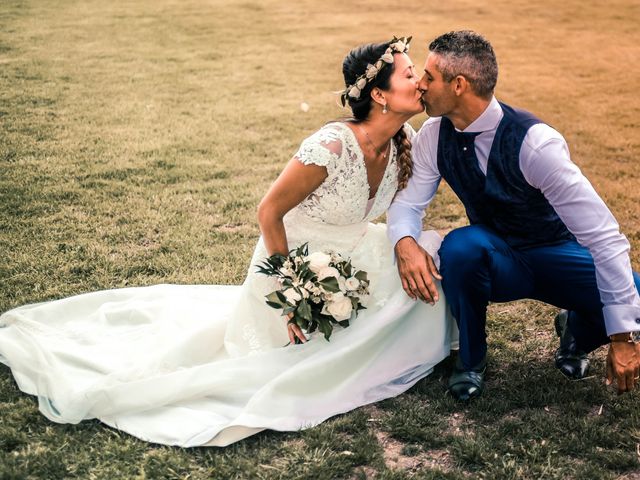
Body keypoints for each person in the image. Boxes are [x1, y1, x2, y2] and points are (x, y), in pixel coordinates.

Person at [0, 37, 457, 447]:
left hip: (356, 251)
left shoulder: (405, 140)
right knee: (301, 356)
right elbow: (269, 212)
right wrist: (291, 295)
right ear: (379, 94)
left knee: (428, 277)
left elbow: (406, 209)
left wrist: (407, 244)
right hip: (295, 264)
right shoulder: (332, 146)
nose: (419, 80)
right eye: (410, 73)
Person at [388, 30, 640, 402]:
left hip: (556, 252)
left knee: (634, 303)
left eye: (429, 76)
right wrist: (405, 242)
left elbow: (603, 238)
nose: (420, 85)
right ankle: (471, 361)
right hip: (497, 259)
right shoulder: (432, 135)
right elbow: (408, 204)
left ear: (459, 85)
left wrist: (622, 339)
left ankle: (577, 332)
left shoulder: (538, 144)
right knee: (460, 248)